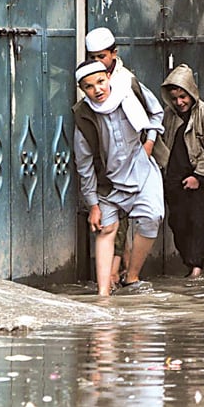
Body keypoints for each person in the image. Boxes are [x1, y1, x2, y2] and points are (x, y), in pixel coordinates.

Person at [72, 60, 165, 296]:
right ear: (84, 90)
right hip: (109, 182)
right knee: (106, 228)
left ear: (108, 78)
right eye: (90, 86)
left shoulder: (130, 89)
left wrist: (150, 141)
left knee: (152, 216)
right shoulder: (83, 116)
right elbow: (84, 165)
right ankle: (103, 294)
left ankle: (132, 276)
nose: (98, 90)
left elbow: (156, 112)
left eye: (101, 82)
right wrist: (93, 204)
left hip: (141, 169)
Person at [157, 64, 204, 278]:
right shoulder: (168, 115)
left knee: (197, 221)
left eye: (183, 96)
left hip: (199, 177)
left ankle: (196, 268)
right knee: (177, 222)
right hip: (174, 178)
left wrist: (199, 176)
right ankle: (189, 262)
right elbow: (159, 142)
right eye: (175, 98)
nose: (180, 102)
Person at [85, 27, 135, 285]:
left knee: (123, 219)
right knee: (108, 219)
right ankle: (113, 275)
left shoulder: (126, 80)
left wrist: (144, 151)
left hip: (129, 163)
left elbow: (150, 117)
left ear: (114, 54)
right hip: (103, 163)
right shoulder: (89, 81)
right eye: (91, 57)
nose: (96, 62)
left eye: (101, 57)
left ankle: (117, 273)